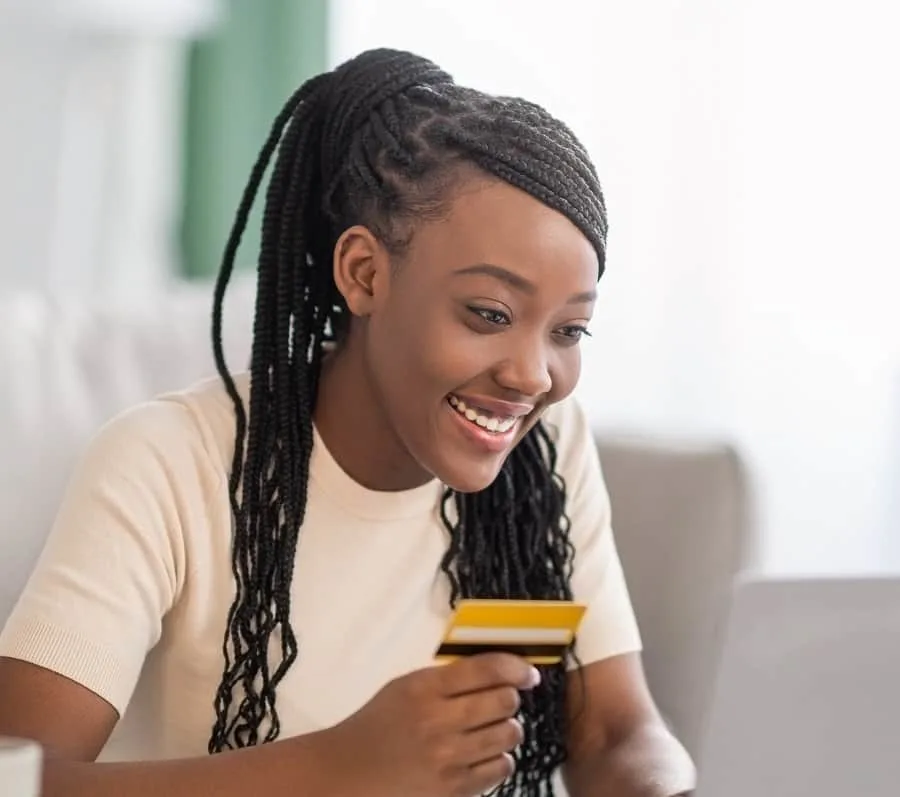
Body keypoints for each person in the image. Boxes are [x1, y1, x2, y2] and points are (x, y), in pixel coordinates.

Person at [0, 49, 695, 796]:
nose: (531, 374)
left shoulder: (540, 462)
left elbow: (616, 736)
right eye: (489, 314)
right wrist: (334, 769)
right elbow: (12, 778)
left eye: (567, 331)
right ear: (364, 273)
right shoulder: (168, 465)